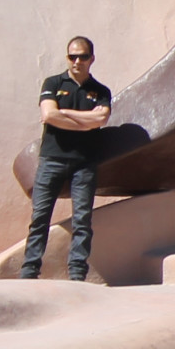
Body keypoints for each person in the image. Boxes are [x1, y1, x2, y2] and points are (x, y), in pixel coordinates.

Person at [20, 36, 112, 282]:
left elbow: (101, 120)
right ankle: (29, 272)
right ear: (67, 58)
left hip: (84, 163)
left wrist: (66, 113)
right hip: (52, 159)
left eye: (82, 56)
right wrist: (85, 123)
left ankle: (77, 274)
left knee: (82, 220)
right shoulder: (53, 83)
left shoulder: (101, 91)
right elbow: (49, 115)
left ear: (91, 59)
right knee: (40, 217)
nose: (77, 61)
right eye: (72, 56)